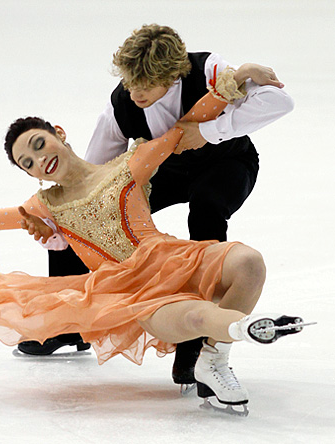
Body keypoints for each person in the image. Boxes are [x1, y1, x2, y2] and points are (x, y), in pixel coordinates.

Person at [0, 75, 309, 414]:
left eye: (40, 145)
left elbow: (183, 129)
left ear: (59, 133)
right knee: (198, 318)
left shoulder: (127, 165)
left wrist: (231, 83)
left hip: (173, 256)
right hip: (129, 289)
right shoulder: (44, 206)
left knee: (249, 262)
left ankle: (214, 359)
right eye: (29, 162)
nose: (40, 160)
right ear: (31, 175)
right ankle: (244, 329)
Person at [20, 24, 295, 390]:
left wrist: (210, 132)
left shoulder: (209, 70)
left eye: (145, 86)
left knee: (207, 210)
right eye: (130, 83)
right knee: (81, 213)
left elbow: (281, 102)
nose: (135, 93)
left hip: (226, 162)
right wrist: (65, 216)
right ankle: (70, 325)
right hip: (164, 169)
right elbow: (87, 181)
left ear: (173, 74)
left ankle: (195, 344)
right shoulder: (121, 104)